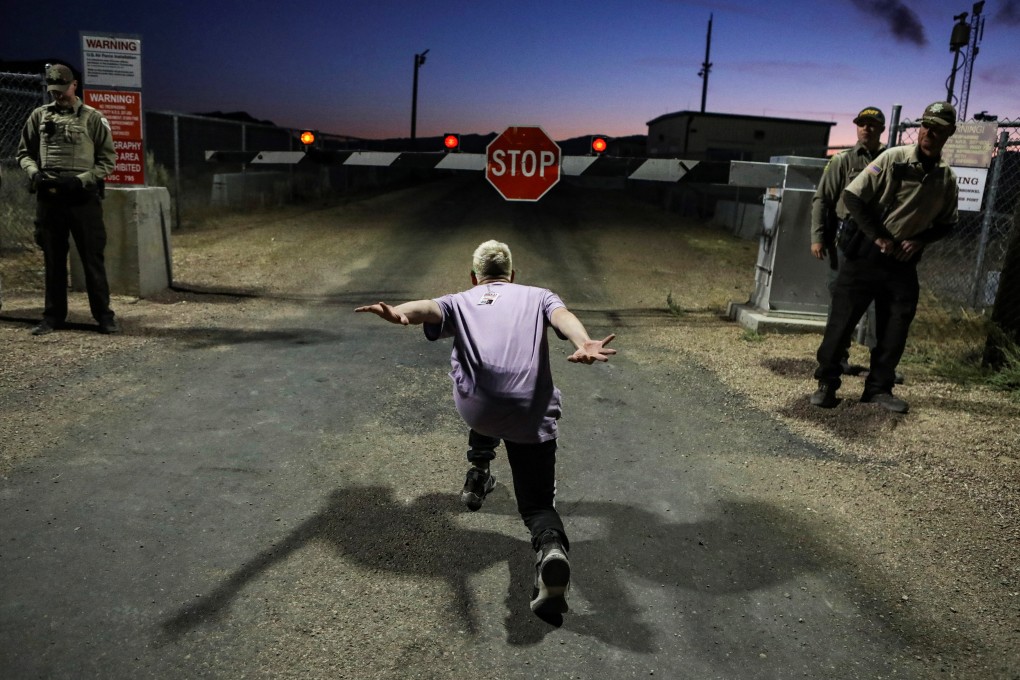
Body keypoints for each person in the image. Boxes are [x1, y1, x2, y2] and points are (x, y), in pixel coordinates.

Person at [355, 240, 616, 618]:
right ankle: (551, 549)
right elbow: (564, 317)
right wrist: (584, 341)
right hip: (528, 415)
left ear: (474, 276)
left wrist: (399, 313)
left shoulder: (461, 299)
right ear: (513, 275)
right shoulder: (539, 296)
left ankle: (479, 468)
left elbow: (428, 308)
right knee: (538, 505)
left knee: (473, 373)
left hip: (479, 411)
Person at [811, 101, 959, 413]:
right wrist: (876, 234)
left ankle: (878, 388)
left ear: (950, 133)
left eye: (938, 129)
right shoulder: (893, 158)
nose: (929, 133)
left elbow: (947, 223)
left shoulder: (945, 178)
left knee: (895, 327)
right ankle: (827, 383)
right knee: (841, 323)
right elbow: (852, 195)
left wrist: (919, 240)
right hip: (866, 253)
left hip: (902, 263)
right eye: (926, 126)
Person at [16, 63, 119, 336]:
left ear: (75, 85)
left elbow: (107, 161)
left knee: (91, 257)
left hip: (82, 198)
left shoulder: (92, 118)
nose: (58, 96)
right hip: (50, 197)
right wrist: (34, 172)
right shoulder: (39, 116)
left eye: (62, 90)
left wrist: (81, 179)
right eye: (53, 91)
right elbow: (23, 153)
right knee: (53, 258)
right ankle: (52, 317)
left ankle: (104, 316)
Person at [810, 106, 887, 375]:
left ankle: (881, 366)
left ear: (881, 129)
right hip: (847, 238)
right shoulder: (843, 161)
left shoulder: (890, 159)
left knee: (882, 303)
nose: (866, 128)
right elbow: (822, 199)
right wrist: (818, 237)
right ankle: (836, 358)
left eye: (872, 124)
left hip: (880, 241)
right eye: (862, 124)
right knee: (841, 300)